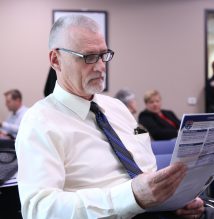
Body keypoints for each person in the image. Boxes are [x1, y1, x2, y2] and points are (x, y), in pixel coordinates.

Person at [15, 15, 204, 219]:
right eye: (88, 57)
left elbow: (143, 153)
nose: (100, 67)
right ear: (55, 60)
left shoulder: (117, 108)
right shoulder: (39, 122)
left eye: (103, 55)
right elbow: (39, 210)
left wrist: (170, 200)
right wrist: (130, 197)